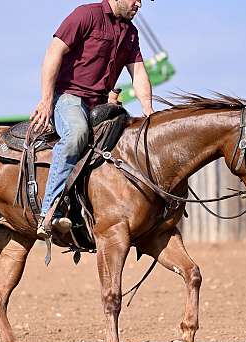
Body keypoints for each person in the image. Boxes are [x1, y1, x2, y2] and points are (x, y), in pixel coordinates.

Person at [30, 0, 155, 239]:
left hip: (101, 104)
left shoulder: (130, 32)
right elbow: (53, 52)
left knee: (130, 141)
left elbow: (138, 72)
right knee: (76, 134)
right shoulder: (86, 15)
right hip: (69, 97)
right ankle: (49, 213)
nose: (139, 4)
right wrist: (46, 100)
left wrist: (148, 110)